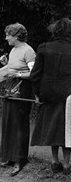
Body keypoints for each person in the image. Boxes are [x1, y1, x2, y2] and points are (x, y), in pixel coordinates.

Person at [30, 18, 71, 174]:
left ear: (55, 31)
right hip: (69, 95)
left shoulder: (44, 47)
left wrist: (37, 94)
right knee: (68, 128)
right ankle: (67, 163)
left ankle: (55, 161)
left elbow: (35, 75)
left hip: (49, 93)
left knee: (52, 126)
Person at [0, 23, 36, 176]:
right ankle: (9, 157)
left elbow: (34, 74)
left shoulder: (29, 51)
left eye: (8, 35)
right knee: (8, 122)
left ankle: (20, 160)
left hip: (23, 92)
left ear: (16, 36)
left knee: (19, 125)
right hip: (10, 89)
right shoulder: (13, 49)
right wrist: (5, 64)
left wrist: (18, 75)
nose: (6, 38)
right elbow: (14, 69)